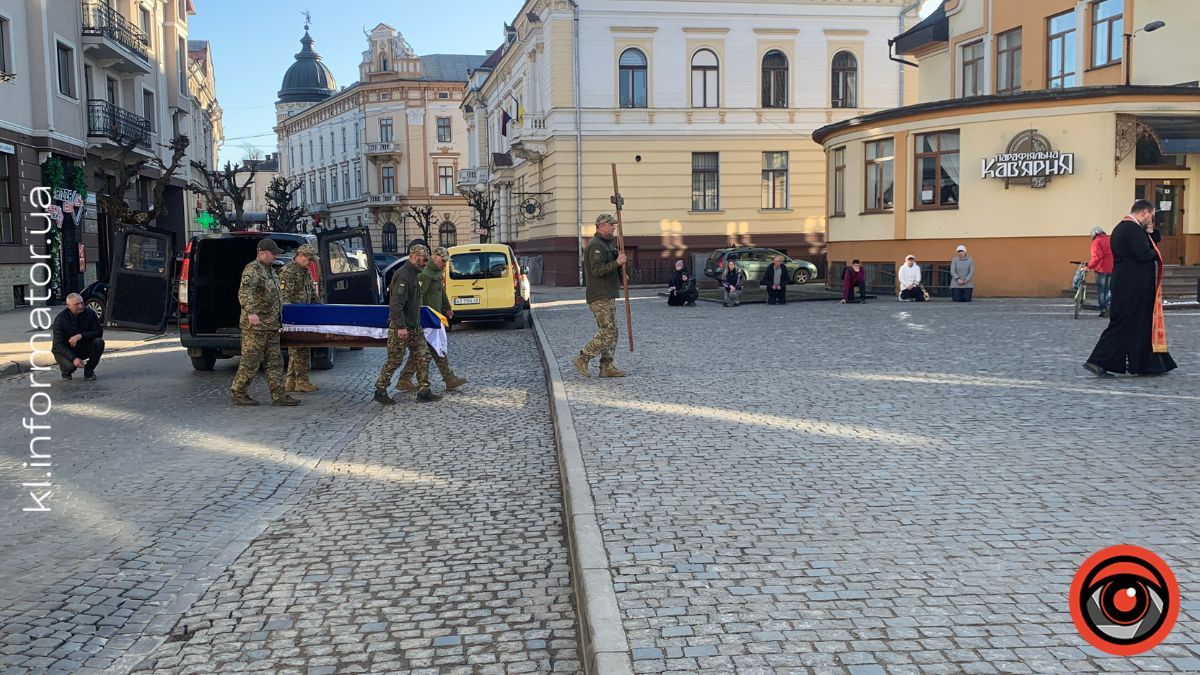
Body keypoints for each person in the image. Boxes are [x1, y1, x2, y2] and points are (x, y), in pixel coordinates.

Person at [1084, 199, 1177, 378]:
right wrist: (1154, 253)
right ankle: (1098, 360)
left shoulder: (1132, 228)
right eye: (1151, 216)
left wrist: (1151, 233)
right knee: (1123, 324)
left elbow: (1151, 240)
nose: (1151, 219)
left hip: (1134, 286)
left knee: (1139, 325)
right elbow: (1144, 254)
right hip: (1131, 287)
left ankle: (1143, 363)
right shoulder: (1130, 229)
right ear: (1144, 212)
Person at [231, 239, 300, 406]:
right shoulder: (253, 269)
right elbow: (245, 292)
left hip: (271, 325)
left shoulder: (270, 271)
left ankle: (279, 395)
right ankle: (238, 392)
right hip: (255, 327)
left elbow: (276, 296)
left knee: (275, 361)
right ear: (262, 253)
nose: (275, 256)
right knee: (250, 361)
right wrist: (251, 312)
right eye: (273, 253)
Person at [375, 244, 441, 403]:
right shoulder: (404, 275)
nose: (425, 263)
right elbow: (396, 305)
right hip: (401, 327)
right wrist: (401, 327)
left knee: (423, 355)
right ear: (415, 256)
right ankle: (380, 390)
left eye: (426, 260)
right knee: (395, 360)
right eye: (423, 259)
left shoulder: (413, 275)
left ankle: (424, 390)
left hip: (414, 327)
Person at [397, 246, 468, 392]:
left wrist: (447, 307)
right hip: (427, 319)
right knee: (427, 350)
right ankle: (407, 379)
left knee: (434, 348)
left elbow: (440, 291)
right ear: (435, 259)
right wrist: (421, 317)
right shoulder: (425, 274)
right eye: (443, 261)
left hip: (435, 317)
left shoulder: (437, 273)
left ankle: (447, 378)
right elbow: (419, 297)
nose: (445, 264)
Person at [571, 214, 627, 378]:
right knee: (608, 331)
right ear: (601, 226)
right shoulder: (595, 246)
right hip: (599, 295)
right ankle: (582, 357)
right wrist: (617, 263)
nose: (614, 228)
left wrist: (621, 270)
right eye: (611, 225)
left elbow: (611, 267)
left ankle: (606, 366)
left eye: (614, 225)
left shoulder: (607, 244)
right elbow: (597, 270)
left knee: (612, 332)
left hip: (608, 293)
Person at [279, 243, 320, 393]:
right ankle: (301, 381)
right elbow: (285, 298)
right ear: (301, 256)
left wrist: (319, 307)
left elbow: (311, 294)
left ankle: (291, 381)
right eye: (309, 259)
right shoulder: (288, 272)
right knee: (298, 349)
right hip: (294, 318)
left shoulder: (305, 272)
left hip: (305, 316)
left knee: (300, 348)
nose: (311, 263)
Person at [51, 293, 104, 381]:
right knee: (70, 367)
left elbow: (98, 332)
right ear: (68, 306)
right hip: (65, 351)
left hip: (83, 346)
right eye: (77, 304)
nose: (80, 306)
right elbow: (58, 344)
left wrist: (81, 336)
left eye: (82, 303)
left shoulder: (90, 313)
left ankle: (89, 371)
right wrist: (73, 358)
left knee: (99, 342)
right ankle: (66, 371)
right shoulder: (60, 319)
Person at [1087, 226, 1114, 317]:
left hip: (1101, 269)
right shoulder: (1110, 240)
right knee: (1109, 289)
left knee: (1101, 290)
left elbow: (1097, 257)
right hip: (1112, 268)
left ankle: (1103, 309)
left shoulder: (1096, 242)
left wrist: (1089, 267)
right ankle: (1110, 307)